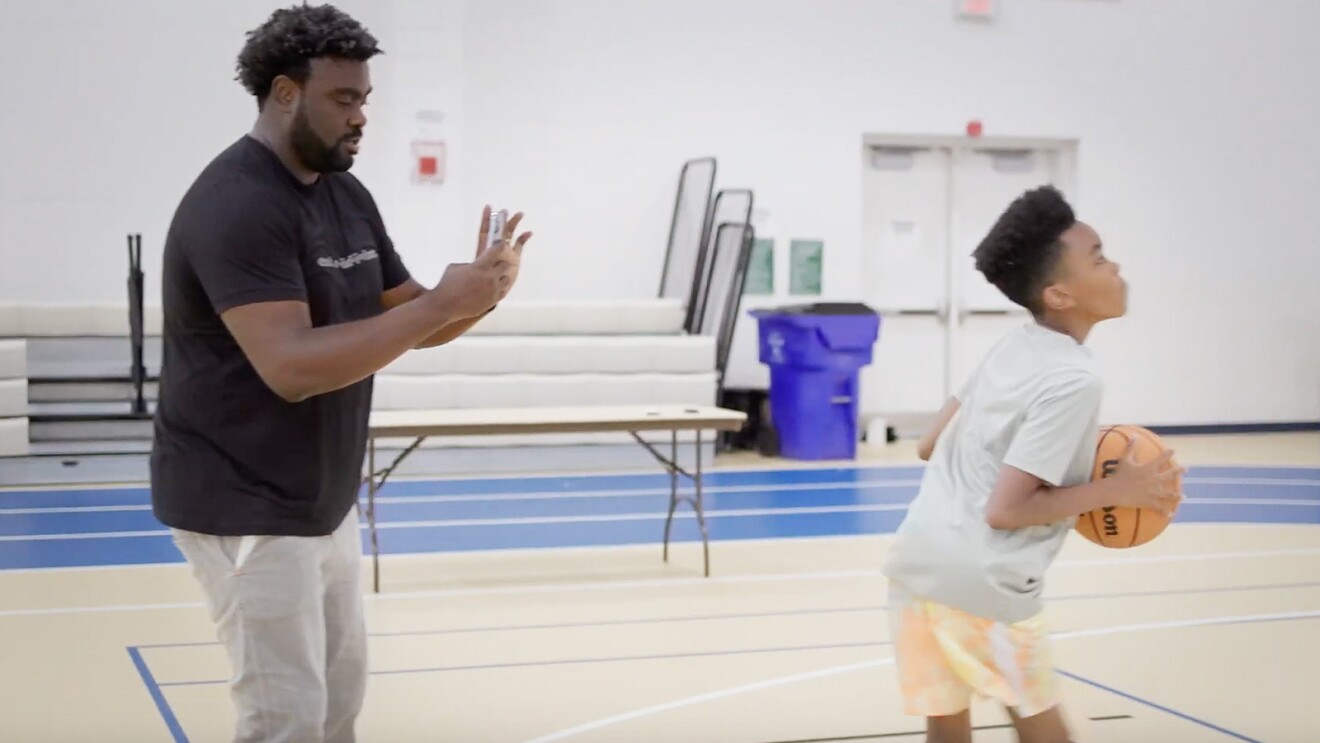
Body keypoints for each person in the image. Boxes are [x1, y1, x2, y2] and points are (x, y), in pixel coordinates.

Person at [149, 5, 531, 741]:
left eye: (365, 100)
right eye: (344, 99)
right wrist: (441, 306)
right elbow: (289, 366)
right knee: (284, 718)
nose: (361, 117)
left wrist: (482, 294)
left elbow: (414, 321)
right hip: (244, 503)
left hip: (320, 499)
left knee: (337, 707)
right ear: (285, 93)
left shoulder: (345, 195)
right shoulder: (237, 205)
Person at [881, 186, 1181, 743]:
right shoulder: (1075, 378)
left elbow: (928, 444)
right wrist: (1122, 489)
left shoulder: (1013, 346)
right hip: (983, 584)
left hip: (916, 563)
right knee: (1046, 731)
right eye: (1097, 257)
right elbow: (1006, 510)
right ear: (1060, 295)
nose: (1114, 265)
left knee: (947, 724)